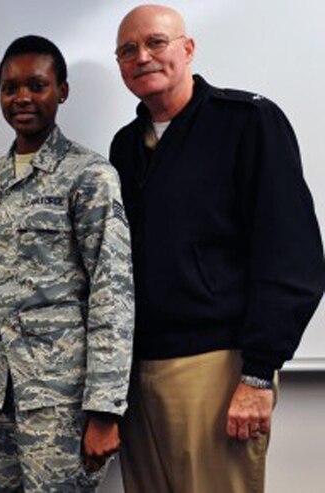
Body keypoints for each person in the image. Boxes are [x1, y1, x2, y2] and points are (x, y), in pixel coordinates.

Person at [109, 5, 325, 492]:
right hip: (137, 373)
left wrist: (257, 375)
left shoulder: (248, 122)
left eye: (156, 43)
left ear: (187, 49)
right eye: (128, 50)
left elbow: (293, 256)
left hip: (216, 367)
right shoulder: (124, 148)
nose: (142, 57)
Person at [0, 35, 133, 492]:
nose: (22, 98)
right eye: (10, 87)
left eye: (36, 86)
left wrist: (105, 409)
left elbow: (113, 292)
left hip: (62, 402)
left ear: (62, 90)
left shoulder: (90, 176)